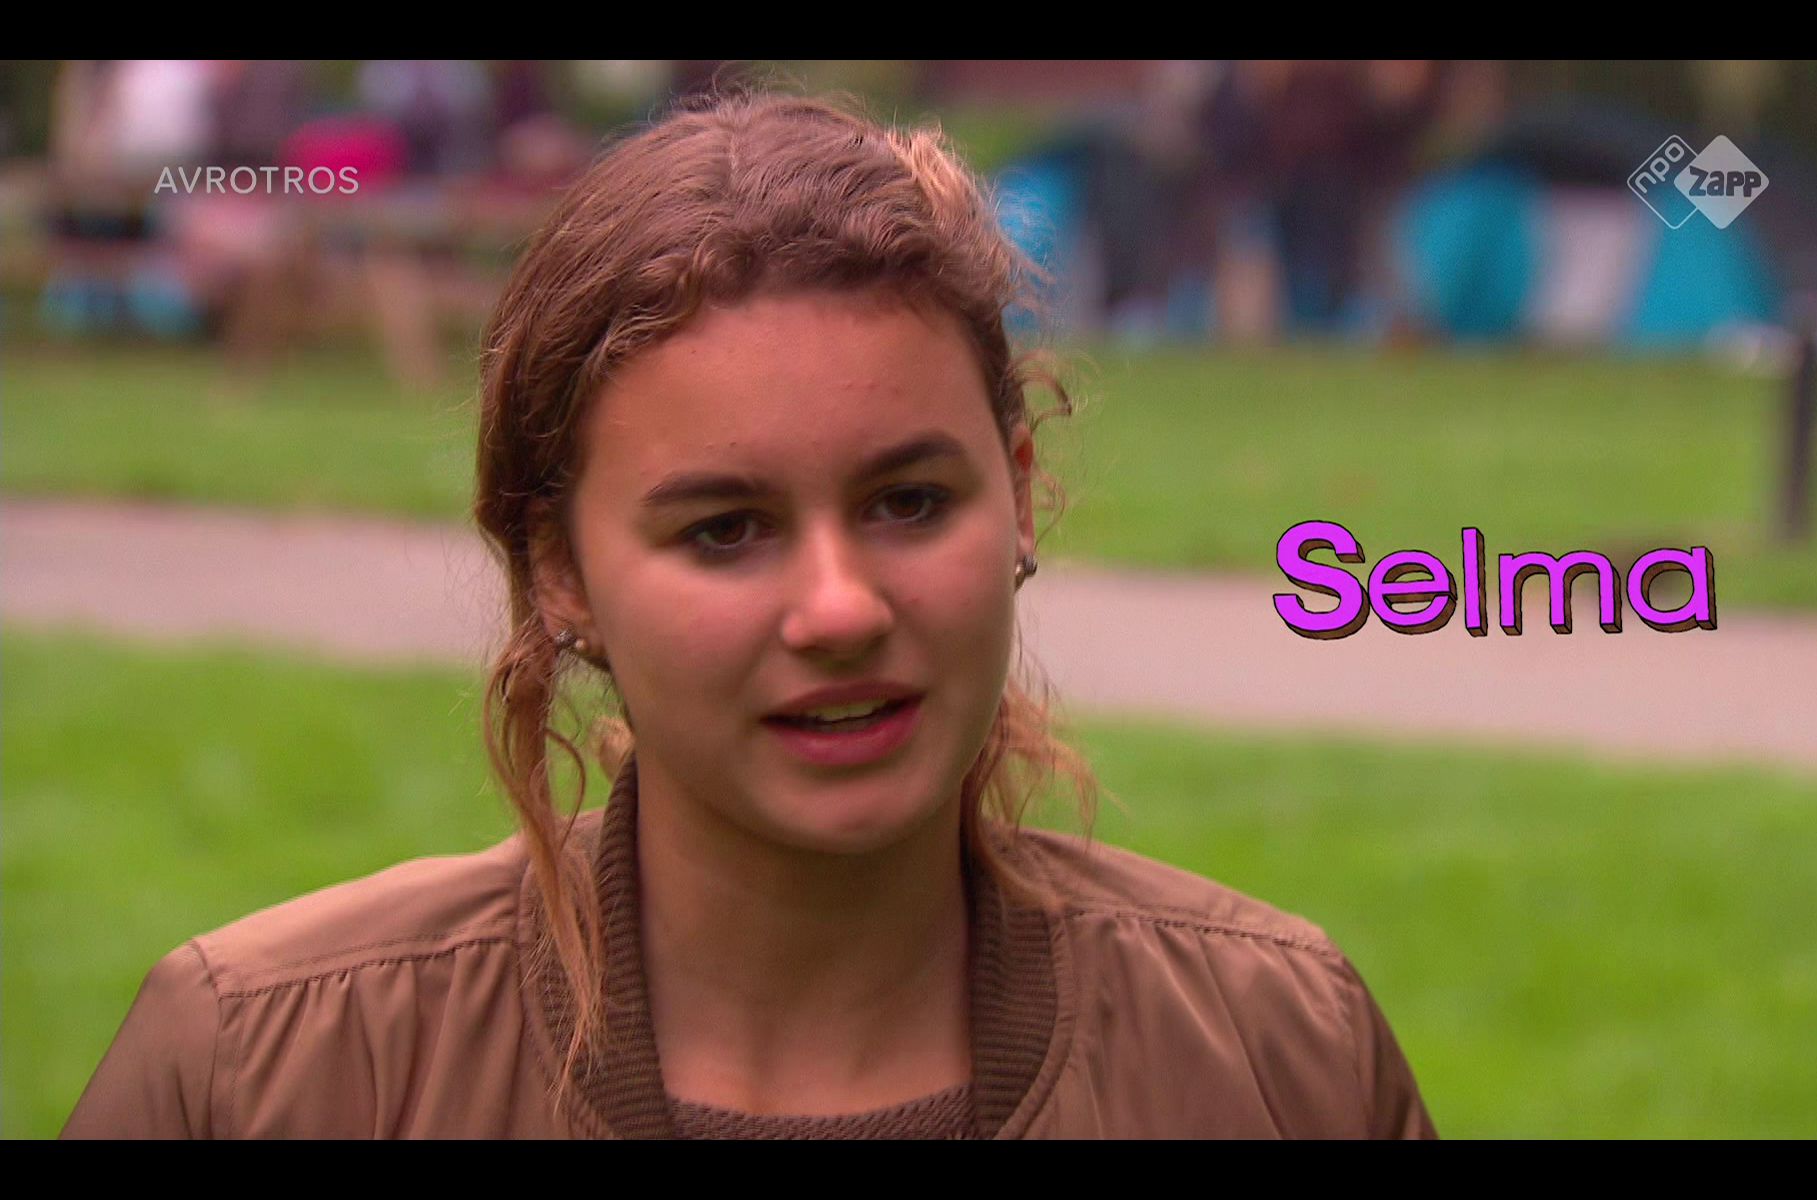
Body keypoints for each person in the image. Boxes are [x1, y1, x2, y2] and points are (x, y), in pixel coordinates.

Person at [61, 91, 1437, 1140]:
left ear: (1018, 498)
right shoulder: (270, 1074)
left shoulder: (1278, 1056)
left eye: (909, 502)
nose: (840, 609)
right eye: (725, 529)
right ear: (561, 571)